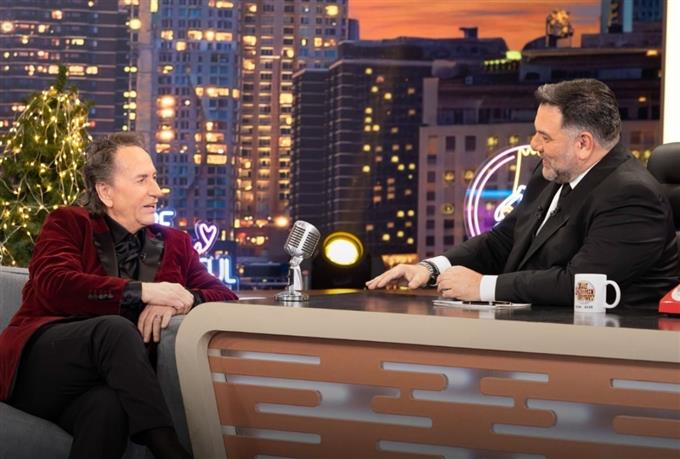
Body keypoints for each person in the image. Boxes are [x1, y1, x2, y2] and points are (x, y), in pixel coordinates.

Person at [0, 133, 238, 458]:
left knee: (107, 407)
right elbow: (54, 283)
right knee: (115, 329)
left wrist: (181, 301)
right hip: (40, 367)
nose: (157, 190)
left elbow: (225, 295)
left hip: (105, 383)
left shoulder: (176, 243)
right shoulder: (68, 222)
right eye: (142, 180)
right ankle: (169, 449)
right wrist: (144, 292)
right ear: (106, 192)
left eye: (154, 178)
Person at [367, 79, 679, 308]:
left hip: (612, 348)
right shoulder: (550, 174)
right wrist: (430, 269)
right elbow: (503, 241)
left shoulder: (631, 196)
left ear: (583, 144)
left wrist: (483, 287)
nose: (534, 145)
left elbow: (580, 284)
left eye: (545, 136)